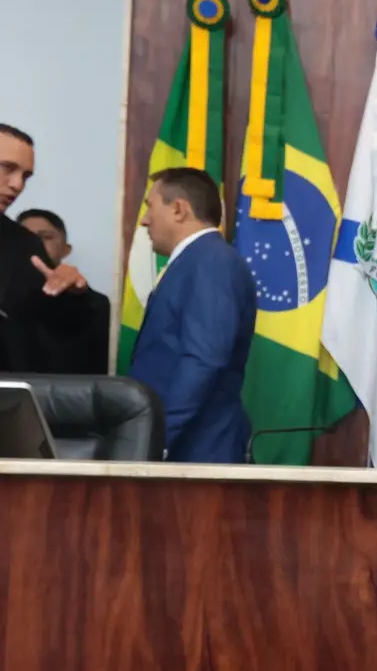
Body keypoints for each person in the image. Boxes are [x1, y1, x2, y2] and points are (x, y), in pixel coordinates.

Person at [126, 167, 257, 463]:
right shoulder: (195, 260)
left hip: (198, 449)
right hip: (187, 446)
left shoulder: (212, 261)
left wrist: (158, 437)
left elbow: (204, 359)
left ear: (178, 210)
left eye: (150, 206)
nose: (145, 219)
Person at [0, 124, 99, 372]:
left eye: (26, 176)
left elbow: (60, 331)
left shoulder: (26, 245)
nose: (17, 185)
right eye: (8, 168)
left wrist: (74, 296)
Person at [15, 209, 112, 373]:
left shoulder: (92, 303)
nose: (34, 242)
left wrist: (80, 296)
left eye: (45, 237)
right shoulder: (6, 296)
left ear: (66, 249)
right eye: (25, 236)